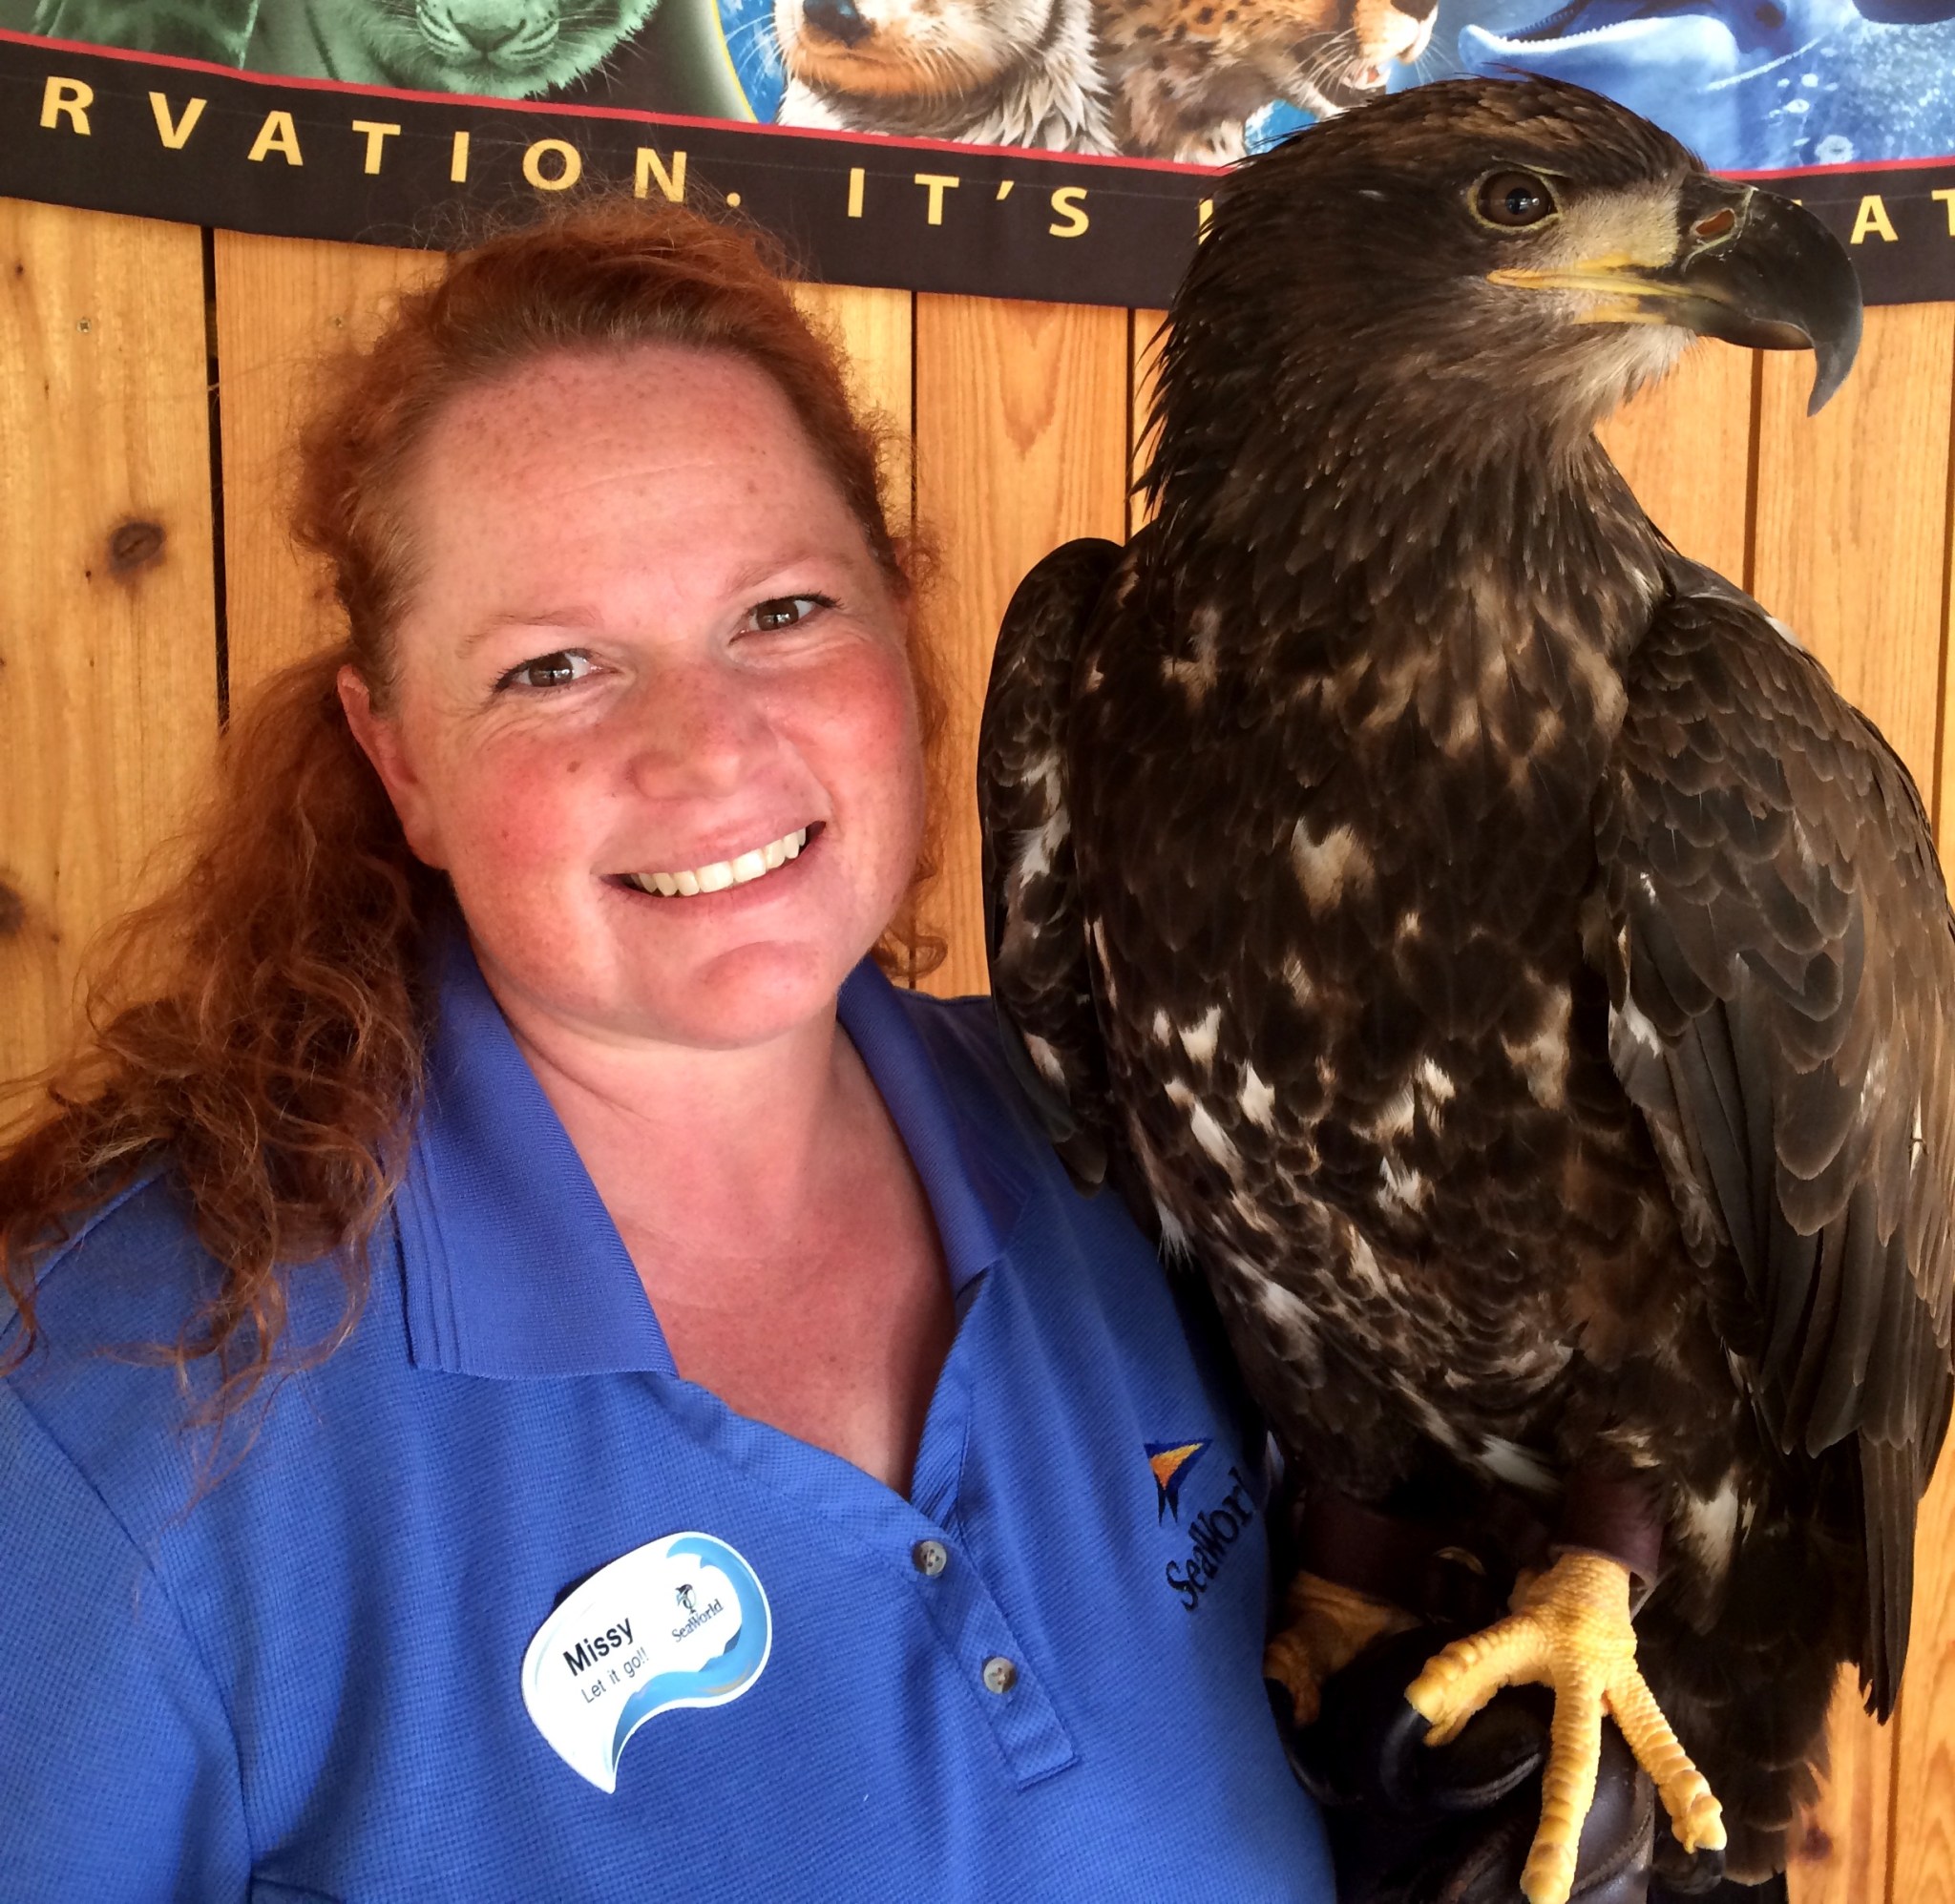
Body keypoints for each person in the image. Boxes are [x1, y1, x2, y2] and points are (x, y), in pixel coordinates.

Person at [0, 200, 1338, 1899]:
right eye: (555, 667)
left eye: (780, 613)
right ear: (397, 757)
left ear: (902, 637)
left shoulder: (1139, 1153)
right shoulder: (131, 1401)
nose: (705, 751)